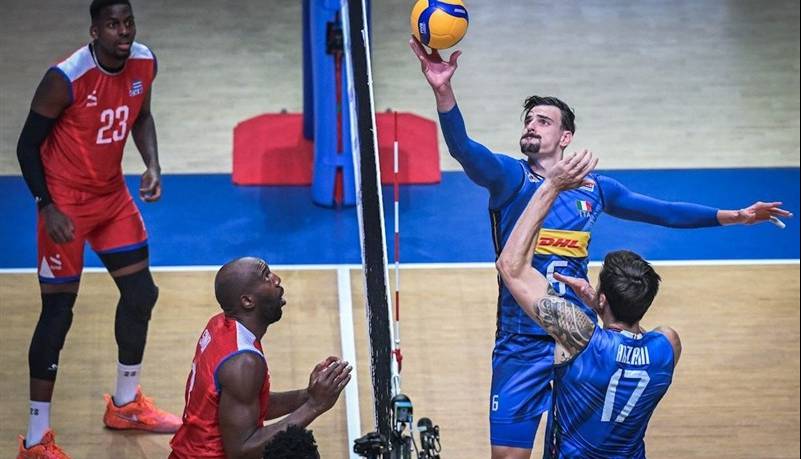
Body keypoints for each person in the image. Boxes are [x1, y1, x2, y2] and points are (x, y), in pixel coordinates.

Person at [409, 37, 792, 459]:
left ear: (566, 136)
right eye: (528, 120)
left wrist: (736, 216)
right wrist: (443, 90)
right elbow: (463, 149)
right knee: (508, 457)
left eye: (543, 121)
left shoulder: (595, 188)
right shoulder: (511, 179)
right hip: (522, 340)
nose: (531, 126)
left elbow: (664, 212)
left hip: (581, 342)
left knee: (579, 447)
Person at [16, 1, 177, 457]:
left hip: (111, 198)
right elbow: (27, 146)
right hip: (65, 205)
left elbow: (140, 116)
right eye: (112, 24)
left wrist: (152, 164)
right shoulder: (65, 78)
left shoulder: (144, 61)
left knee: (141, 294)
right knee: (57, 314)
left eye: (128, 22)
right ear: (94, 31)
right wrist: (47, 206)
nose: (123, 31)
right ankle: (35, 440)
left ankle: (125, 405)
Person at [496, 150, 681, 458]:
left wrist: (551, 186)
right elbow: (636, 336)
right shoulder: (667, 345)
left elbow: (510, 267)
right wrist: (604, 307)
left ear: (602, 297)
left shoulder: (581, 339)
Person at [169, 257, 352, 459]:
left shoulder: (220, 325)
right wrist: (315, 406)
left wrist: (308, 395)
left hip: (185, 453)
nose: (277, 279)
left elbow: (251, 403)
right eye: (266, 276)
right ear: (247, 301)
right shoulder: (244, 362)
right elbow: (241, 450)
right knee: (300, 450)